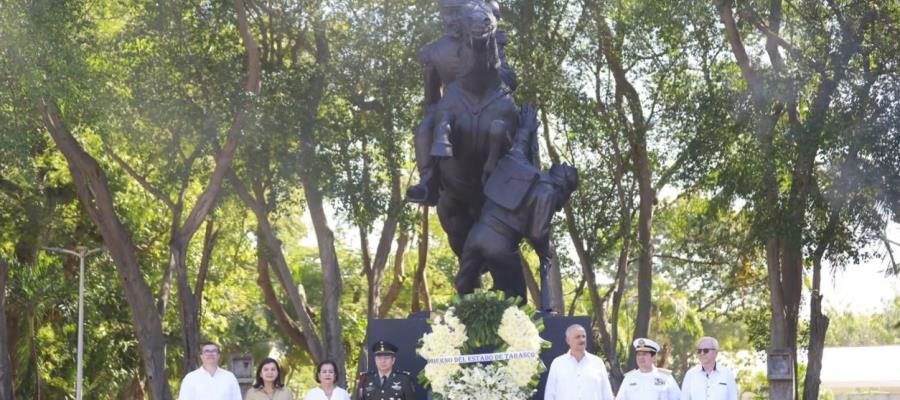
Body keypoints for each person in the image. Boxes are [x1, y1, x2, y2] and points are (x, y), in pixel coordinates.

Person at [454, 106, 578, 302]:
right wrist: (544, 252)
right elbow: (538, 233)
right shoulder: (548, 192)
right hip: (501, 244)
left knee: (463, 286)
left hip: (476, 234)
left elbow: (519, 146)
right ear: (563, 187)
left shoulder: (518, 162)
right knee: (516, 299)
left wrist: (526, 129)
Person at [406, 0, 518, 205]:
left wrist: (499, 70)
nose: (449, 19)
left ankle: (525, 166)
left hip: (489, 96)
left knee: (520, 117)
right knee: (423, 129)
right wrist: (434, 116)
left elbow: (509, 78)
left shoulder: (487, 37)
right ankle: (427, 180)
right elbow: (432, 96)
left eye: (453, 12)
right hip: (450, 103)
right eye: (445, 13)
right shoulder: (434, 51)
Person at [544, 324, 614, 400]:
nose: (582, 340)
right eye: (577, 337)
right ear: (568, 340)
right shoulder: (557, 363)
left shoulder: (597, 362)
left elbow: (607, 393)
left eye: (584, 336)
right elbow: (550, 394)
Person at [616, 338, 680, 400]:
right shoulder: (629, 378)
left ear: (654, 357)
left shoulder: (665, 377)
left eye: (644, 354)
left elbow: (679, 398)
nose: (641, 358)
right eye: (638, 354)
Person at [177, 342, 242, 400]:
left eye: (214, 351)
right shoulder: (190, 378)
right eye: (207, 351)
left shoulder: (229, 377)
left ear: (218, 356)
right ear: (201, 356)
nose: (210, 354)